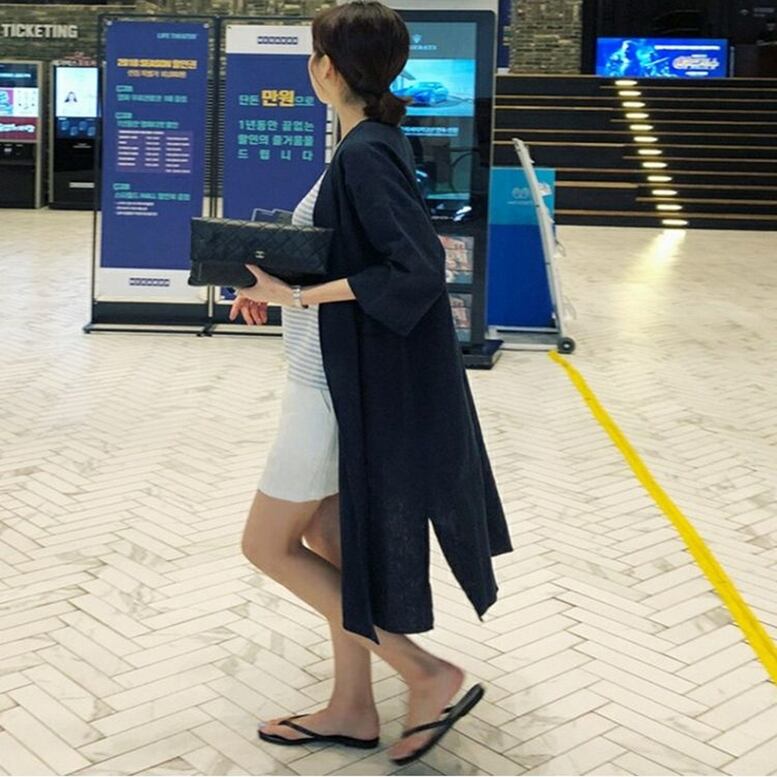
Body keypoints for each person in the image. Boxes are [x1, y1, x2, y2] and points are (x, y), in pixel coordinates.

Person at [230, 0, 512, 765]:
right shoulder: (366, 143)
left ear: (325, 67)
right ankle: (352, 705)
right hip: (329, 377)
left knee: (266, 544)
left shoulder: (365, 153)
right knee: (329, 539)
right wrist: (281, 280)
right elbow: (357, 252)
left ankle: (423, 671)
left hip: (327, 390)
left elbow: (414, 268)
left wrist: (295, 297)